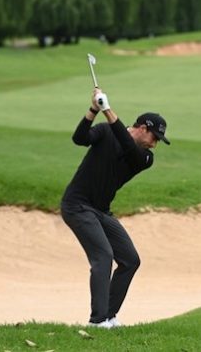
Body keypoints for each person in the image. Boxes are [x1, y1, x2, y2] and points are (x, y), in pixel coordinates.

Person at [60, 86, 170, 329]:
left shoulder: (145, 158)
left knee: (130, 260)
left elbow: (127, 145)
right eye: (154, 138)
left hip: (100, 210)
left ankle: (109, 315)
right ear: (143, 129)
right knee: (103, 256)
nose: (155, 144)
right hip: (77, 205)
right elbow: (79, 138)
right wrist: (93, 110)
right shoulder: (106, 132)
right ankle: (97, 321)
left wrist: (107, 109)